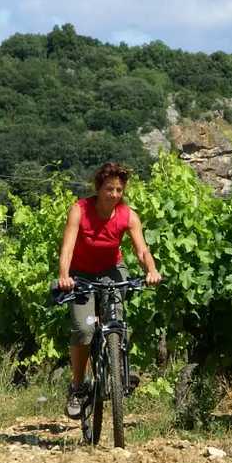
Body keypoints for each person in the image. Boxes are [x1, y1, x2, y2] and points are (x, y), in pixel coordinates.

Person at [57, 161, 161, 418]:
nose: (114, 194)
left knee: (116, 319)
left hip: (112, 271)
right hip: (81, 275)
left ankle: (120, 365)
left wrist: (151, 270)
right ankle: (78, 387)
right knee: (85, 328)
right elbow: (67, 249)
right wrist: (64, 276)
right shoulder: (80, 210)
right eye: (109, 188)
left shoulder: (128, 215)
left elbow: (141, 251)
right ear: (98, 188)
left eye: (119, 190)